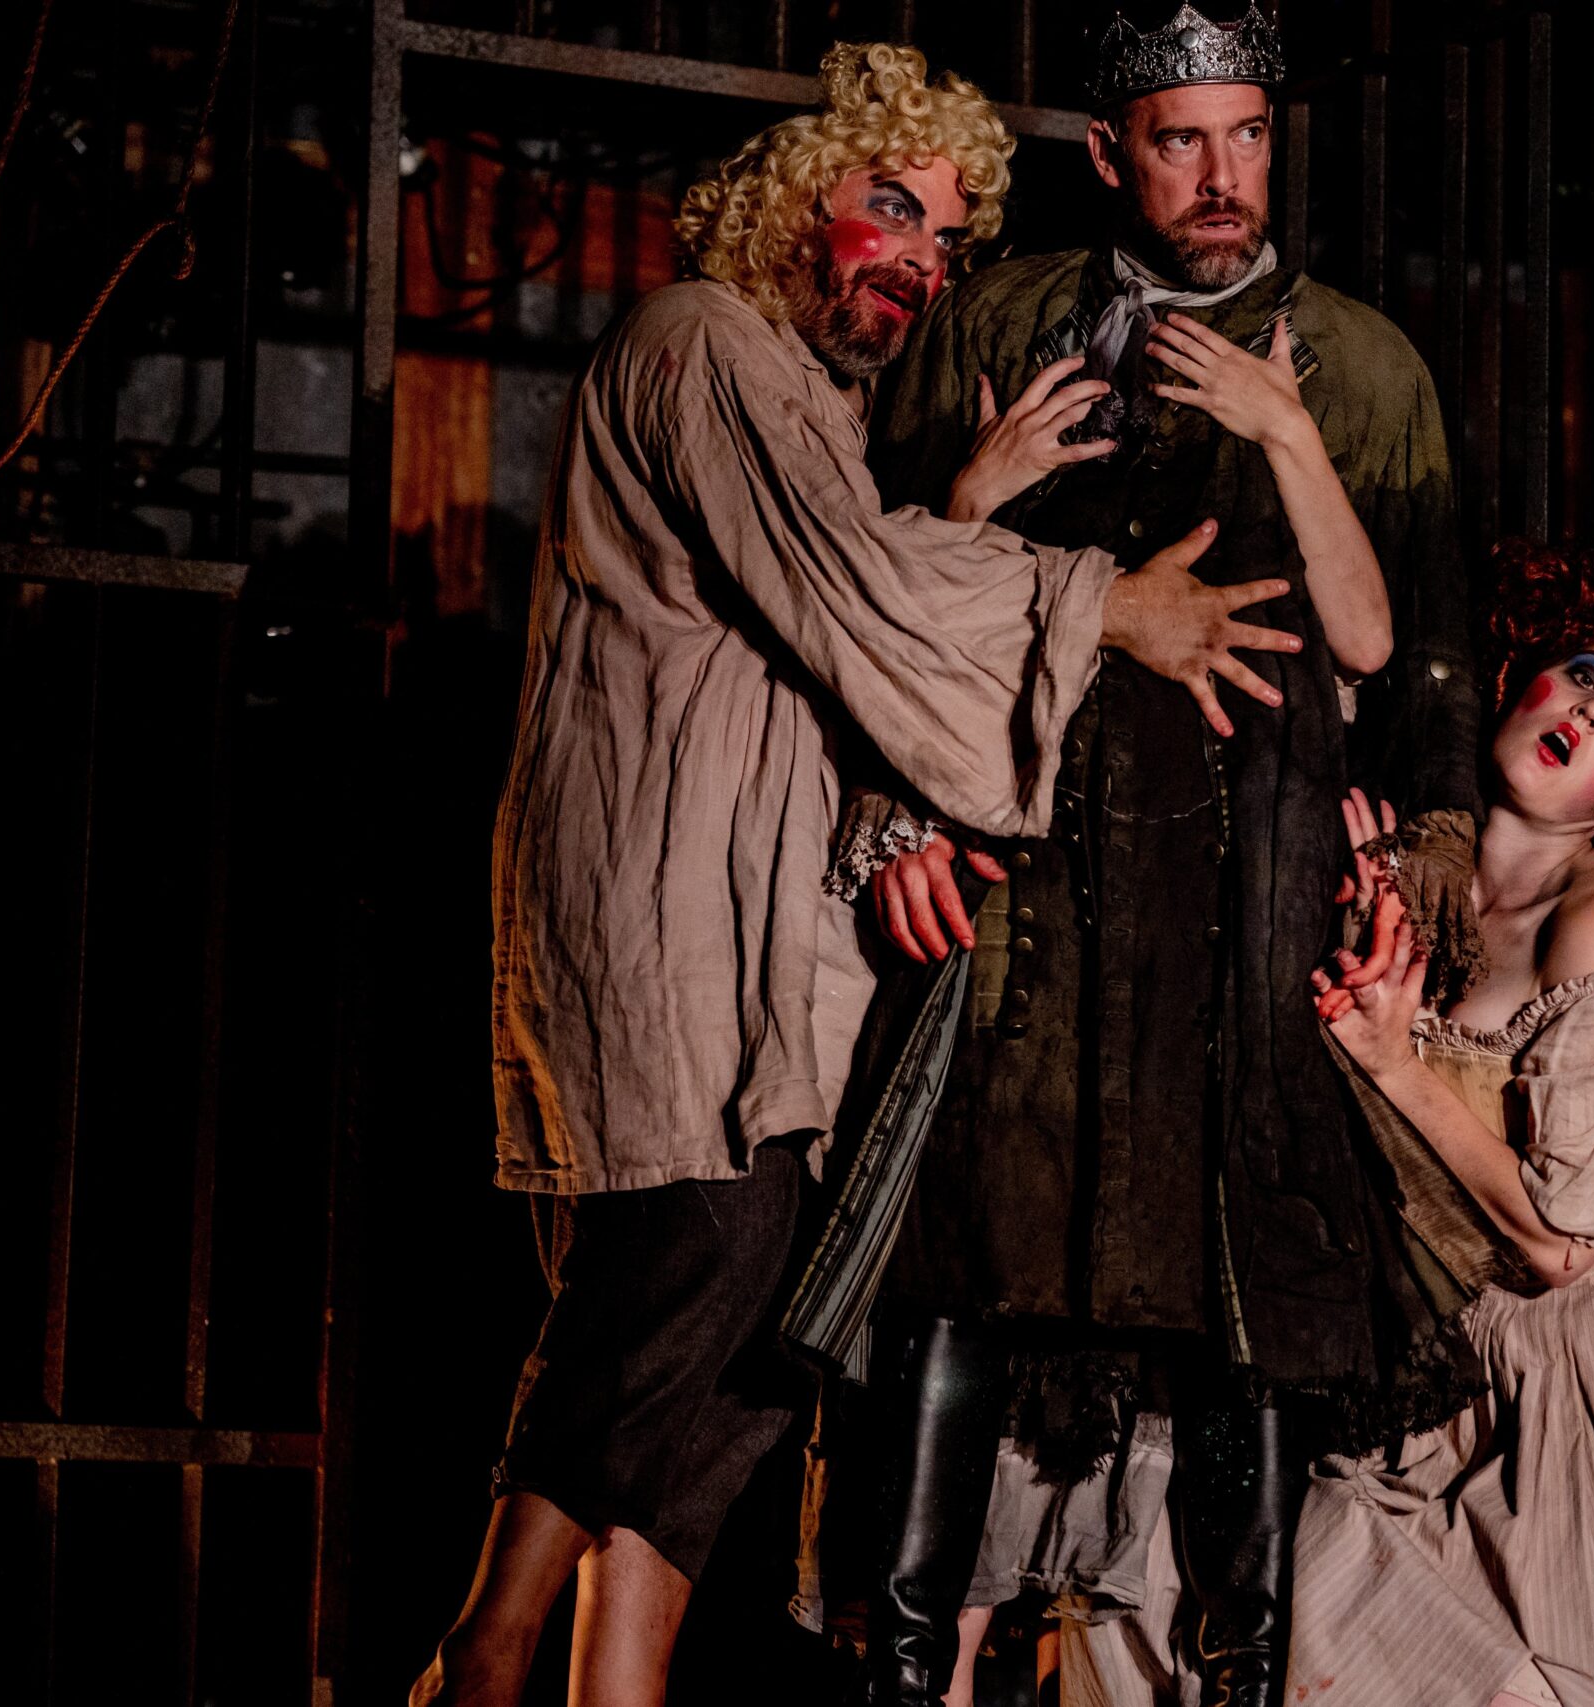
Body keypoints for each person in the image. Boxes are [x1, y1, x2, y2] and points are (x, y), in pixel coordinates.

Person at [415, 42, 1297, 1707]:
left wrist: (967, 505)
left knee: (759, 1325)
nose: (920, 255)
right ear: (790, 203)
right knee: (694, 1255)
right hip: (673, 902)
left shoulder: (803, 402)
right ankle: (482, 1648)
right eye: (892, 204)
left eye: (949, 240)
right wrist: (1102, 602)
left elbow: (845, 594)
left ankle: (608, 1680)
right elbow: (847, 595)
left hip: (761, 923)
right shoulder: (706, 339)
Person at [791, 5, 1482, 1705]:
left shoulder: (1366, 363)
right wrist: (888, 819)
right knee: (963, 1247)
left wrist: (1427, 846)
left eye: (1248, 135)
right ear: (1111, 155)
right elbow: (878, 603)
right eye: (1184, 139)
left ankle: (1236, 1676)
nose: (1224, 173)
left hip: (1251, 884)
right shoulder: (1008, 322)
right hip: (1032, 876)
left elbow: (1427, 653)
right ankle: (893, 1671)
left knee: (1244, 1267)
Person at [1291, 540, 1594, 1707]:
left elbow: (1562, 1248)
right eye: (1585, 677)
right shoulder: (1418, 862)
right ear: (1523, 682)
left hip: (1578, 1374)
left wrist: (1397, 1061)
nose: (1593, 714)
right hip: (1430, 1346)